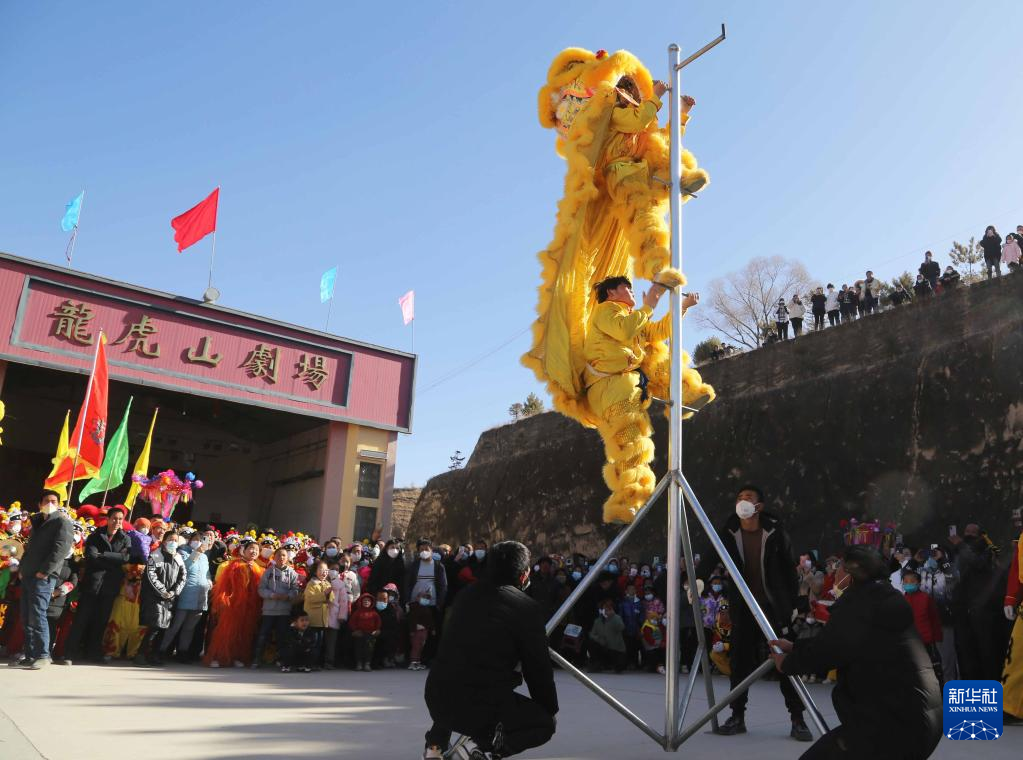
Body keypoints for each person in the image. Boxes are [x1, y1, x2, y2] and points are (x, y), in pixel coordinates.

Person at [768, 546, 941, 760]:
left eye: (840, 568)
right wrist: (796, 647)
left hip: (892, 725)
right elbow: (846, 642)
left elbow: (827, 652)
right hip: (922, 720)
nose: (835, 574)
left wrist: (787, 663)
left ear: (851, 575)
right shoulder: (884, 599)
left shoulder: (859, 605)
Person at [583, 275, 711, 523]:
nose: (631, 292)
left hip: (629, 382)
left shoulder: (634, 318)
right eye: (626, 288)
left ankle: (685, 393)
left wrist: (681, 308)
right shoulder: (605, 311)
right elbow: (624, 329)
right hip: (611, 388)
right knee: (631, 446)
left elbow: (659, 331)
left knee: (657, 352)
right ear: (611, 293)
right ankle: (623, 503)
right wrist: (650, 304)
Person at [423, 540, 557, 760]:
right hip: (479, 705)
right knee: (544, 724)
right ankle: (480, 748)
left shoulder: (465, 596)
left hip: (436, 696)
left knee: (456, 678)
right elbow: (538, 670)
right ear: (523, 575)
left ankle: (434, 748)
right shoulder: (526, 608)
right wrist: (547, 708)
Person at [713, 485, 811, 742]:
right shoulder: (729, 531)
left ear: (759, 506)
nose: (742, 501)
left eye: (748, 498)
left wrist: (793, 604)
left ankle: (798, 718)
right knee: (739, 662)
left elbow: (789, 570)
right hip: (744, 606)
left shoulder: (775, 532)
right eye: (739, 497)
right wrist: (697, 579)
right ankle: (737, 716)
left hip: (772, 606)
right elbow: (712, 555)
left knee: (784, 660)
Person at [11, 491, 74, 669]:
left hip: (43, 577)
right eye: (46, 501)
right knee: (26, 616)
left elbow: (60, 549)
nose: (50, 503)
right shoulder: (38, 521)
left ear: (59, 504)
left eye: (54, 501)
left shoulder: (62, 521)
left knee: (38, 615)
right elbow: (29, 549)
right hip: (28, 574)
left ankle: (43, 655)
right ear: (40, 504)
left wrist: (45, 571)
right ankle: (30, 655)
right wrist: (22, 570)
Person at [65, 505, 133, 663]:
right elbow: (91, 556)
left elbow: (125, 558)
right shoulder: (96, 535)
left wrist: (103, 555)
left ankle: (93, 652)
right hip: (92, 583)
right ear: (108, 519)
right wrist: (113, 560)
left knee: (101, 621)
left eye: (120, 519)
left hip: (110, 586)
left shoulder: (125, 538)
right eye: (114, 518)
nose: (117, 522)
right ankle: (70, 653)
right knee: (81, 619)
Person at [205, 536, 265, 668]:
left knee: (242, 633)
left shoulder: (257, 568)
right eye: (251, 549)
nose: (254, 552)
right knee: (225, 632)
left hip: (248, 606)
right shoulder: (234, 565)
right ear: (243, 550)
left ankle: (237, 656)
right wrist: (223, 600)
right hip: (232, 605)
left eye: (256, 550)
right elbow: (223, 586)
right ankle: (217, 657)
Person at [135, 529, 187, 666]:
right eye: (170, 540)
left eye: (176, 541)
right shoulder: (155, 556)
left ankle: (154, 655)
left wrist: (174, 592)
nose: (173, 543)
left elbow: (183, 577)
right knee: (154, 627)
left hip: (170, 599)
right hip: (155, 598)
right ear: (164, 541)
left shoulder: (178, 558)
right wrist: (163, 591)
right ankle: (141, 654)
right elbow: (151, 576)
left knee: (163, 628)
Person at [160, 530, 212, 662]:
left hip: (200, 597)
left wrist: (209, 581)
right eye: (196, 538)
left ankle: (182, 652)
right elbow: (185, 566)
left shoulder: (205, 557)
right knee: (175, 626)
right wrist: (197, 552)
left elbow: (207, 573)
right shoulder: (182, 552)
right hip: (185, 595)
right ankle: (161, 650)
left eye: (202, 539)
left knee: (189, 628)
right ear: (190, 540)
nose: (199, 542)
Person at [252, 546, 300, 668]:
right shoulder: (268, 572)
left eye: (284, 555)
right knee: (263, 635)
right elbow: (261, 589)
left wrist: (288, 596)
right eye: (279, 555)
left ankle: (281, 660)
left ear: (288, 557)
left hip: (284, 611)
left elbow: (295, 590)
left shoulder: (293, 574)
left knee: (282, 637)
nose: (281, 557)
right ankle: (257, 659)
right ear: (274, 557)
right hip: (268, 611)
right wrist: (272, 595)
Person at [901, 568, 944, 682]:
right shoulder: (902, 600)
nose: (908, 584)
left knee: (932, 671)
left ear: (919, 583)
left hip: (926, 641)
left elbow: (934, 618)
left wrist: (937, 637)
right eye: (906, 581)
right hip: (911, 643)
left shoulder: (926, 598)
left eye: (912, 581)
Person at [405, 538, 448, 613]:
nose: (424, 551)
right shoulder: (414, 565)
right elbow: (407, 584)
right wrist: (407, 600)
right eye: (421, 549)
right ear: (418, 552)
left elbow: (443, 586)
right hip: (414, 602)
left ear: (431, 551)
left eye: (426, 549)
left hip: (432, 604)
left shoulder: (439, 567)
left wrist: (439, 603)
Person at [302, 560, 332, 667]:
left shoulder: (328, 584)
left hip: (323, 620)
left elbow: (331, 599)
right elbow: (310, 598)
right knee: (312, 643)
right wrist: (324, 594)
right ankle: (309, 663)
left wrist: (330, 596)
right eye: (321, 570)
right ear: (315, 571)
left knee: (320, 643)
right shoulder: (311, 583)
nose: (324, 572)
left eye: (326, 570)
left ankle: (317, 663)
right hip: (313, 619)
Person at [587, 597, 627, 673]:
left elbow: (621, 627)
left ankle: (612, 665)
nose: (606, 610)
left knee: (619, 667)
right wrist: (599, 639)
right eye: (605, 608)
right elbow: (592, 634)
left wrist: (613, 616)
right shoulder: (597, 621)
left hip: (616, 649)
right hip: (603, 647)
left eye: (609, 608)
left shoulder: (617, 618)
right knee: (591, 643)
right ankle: (596, 664)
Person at [349, 591, 382, 671]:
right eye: (364, 601)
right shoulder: (357, 612)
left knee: (369, 649)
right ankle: (359, 663)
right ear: (361, 602)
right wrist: (355, 631)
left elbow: (378, 623)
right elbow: (352, 622)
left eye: (368, 601)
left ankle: (367, 664)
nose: (366, 602)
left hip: (370, 634)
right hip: (359, 634)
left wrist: (377, 630)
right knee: (358, 649)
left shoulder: (374, 613)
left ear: (371, 602)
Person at [407, 589, 437, 671]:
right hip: (417, 631)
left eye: (427, 598)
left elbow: (430, 621)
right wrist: (412, 630)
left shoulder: (427, 609)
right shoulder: (414, 607)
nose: (425, 599)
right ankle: (413, 662)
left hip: (425, 631)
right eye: (423, 597)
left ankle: (417, 662)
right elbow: (412, 620)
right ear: (417, 598)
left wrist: (433, 629)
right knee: (415, 646)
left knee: (421, 646)